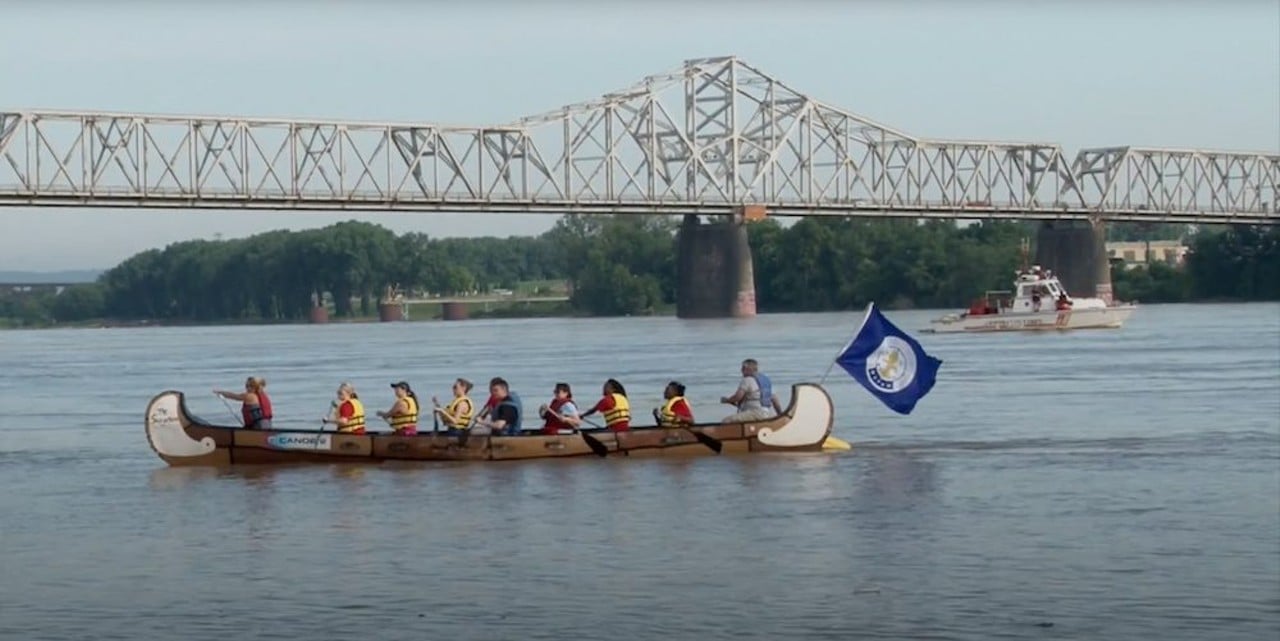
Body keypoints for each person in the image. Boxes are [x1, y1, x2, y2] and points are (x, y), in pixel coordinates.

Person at [720, 359, 782, 423]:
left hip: (754, 413)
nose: (741, 370)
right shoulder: (766, 381)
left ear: (748, 369)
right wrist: (780, 414)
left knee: (726, 421)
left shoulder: (747, 380)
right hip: (766, 413)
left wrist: (727, 400)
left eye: (743, 368)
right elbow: (775, 401)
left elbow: (738, 397)